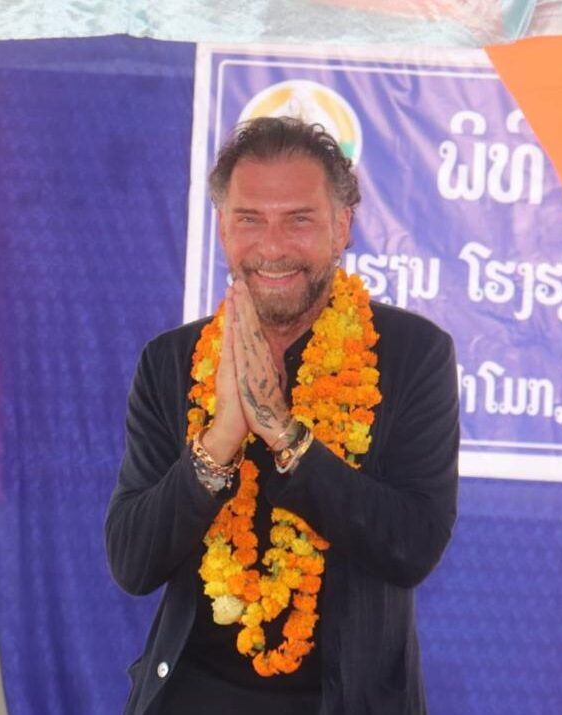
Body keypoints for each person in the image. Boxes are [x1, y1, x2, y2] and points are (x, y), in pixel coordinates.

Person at [105, 116, 459, 714]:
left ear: (342, 226)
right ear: (223, 228)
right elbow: (133, 563)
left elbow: (412, 546)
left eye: (299, 219)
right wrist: (220, 440)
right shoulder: (171, 362)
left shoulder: (412, 355)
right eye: (250, 219)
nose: (272, 248)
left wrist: (285, 435)